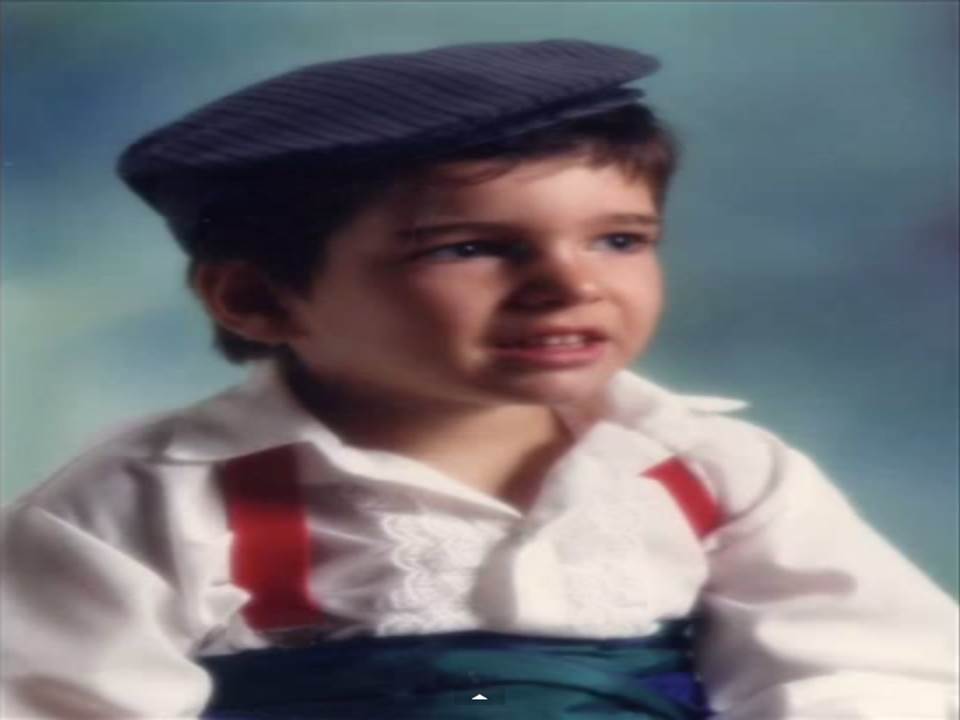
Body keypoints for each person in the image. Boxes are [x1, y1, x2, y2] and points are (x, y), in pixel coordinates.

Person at [1, 39, 956, 720]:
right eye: (469, 247)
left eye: (619, 239)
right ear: (256, 298)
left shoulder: (716, 474)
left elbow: (866, 670)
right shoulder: (143, 505)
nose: (570, 285)